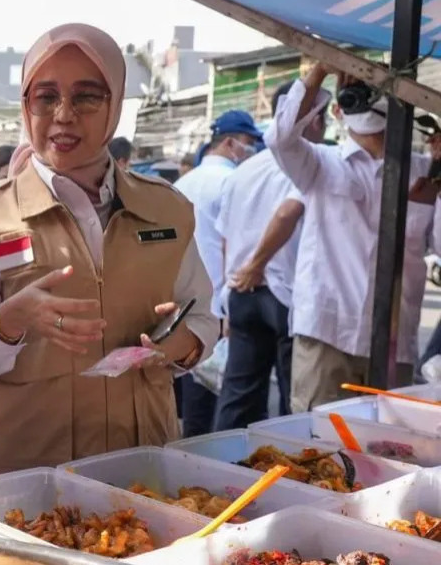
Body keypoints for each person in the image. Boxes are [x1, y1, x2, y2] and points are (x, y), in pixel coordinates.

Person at [0, 23, 215, 480]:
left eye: (87, 96)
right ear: (26, 106)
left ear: (116, 106)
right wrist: (10, 321)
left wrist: (177, 347)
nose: (63, 115)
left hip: (140, 470)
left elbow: (203, 317)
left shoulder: (167, 210)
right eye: (46, 97)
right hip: (25, 483)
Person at [267, 64, 441, 409]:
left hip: (395, 340)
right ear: (336, 107)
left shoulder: (426, 171)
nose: (365, 100)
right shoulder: (320, 162)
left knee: (390, 451)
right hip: (328, 333)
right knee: (316, 446)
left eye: (375, 91)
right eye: (357, 92)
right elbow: (280, 137)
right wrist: (318, 72)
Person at [213, 82, 327, 430]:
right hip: (282, 293)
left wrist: (233, 284)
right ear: (309, 120)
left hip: (242, 293)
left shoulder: (242, 170)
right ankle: (289, 474)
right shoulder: (305, 165)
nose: (324, 127)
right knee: (296, 401)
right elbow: (286, 214)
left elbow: (225, 238)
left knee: (239, 394)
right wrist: (256, 265)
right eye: (321, 117)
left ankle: (219, 469)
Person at [172, 109, 264, 437]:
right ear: (229, 143)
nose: (252, 149)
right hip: (221, 303)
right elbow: (236, 245)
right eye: (249, 142)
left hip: (181, 303)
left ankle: (191, 455)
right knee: (229, 396)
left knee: (194, 390)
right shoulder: (232, 182)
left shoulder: (181, 184)